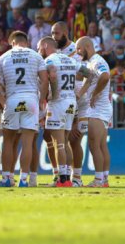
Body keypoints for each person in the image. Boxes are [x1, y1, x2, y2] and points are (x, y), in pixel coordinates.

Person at [0, 30, 48, 187]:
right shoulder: (35, 56)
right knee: (28, 142)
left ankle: (6, 178)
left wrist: (2, 100)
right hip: (31, 99)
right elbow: (45, 81)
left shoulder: (4, 57)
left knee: (9, 141)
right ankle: (24, 180)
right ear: (27, 43)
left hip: (12, 99)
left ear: (12, 43)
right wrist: (41, 100)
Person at [39, 35, 93, 187]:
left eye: (39, 48)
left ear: (44, 46)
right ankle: (68, 178)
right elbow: (91, 74)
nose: (38, 51)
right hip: (71, 102)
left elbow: (53, 75)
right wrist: (80, 93)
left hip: (58, 103)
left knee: (59, 143)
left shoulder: (49, 60)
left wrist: (54, 94)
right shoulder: (71, 60)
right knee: (66, 141)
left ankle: (62, 180)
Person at [77, 35, 112, 187]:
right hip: (102, 108)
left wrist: (96, 93)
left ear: (87, 47)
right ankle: (104, 179)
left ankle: (98, 180)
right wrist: (79, 95)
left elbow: (105, 76)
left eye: (79, 48)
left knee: (94, 144)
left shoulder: (97, 61)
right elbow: (89, 79)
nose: (78, 52)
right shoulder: (91, 63)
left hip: (98, 109)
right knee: (102, 145)